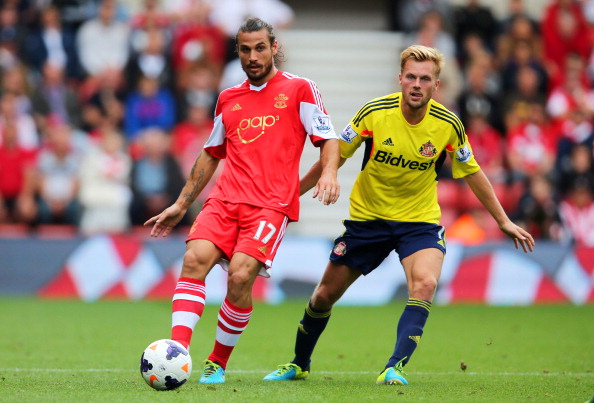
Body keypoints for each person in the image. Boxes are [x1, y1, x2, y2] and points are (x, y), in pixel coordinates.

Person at [263, 45, 535, 386]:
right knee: (322, 297)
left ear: (436, 86)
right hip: (368, 221)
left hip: (419, 223)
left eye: (425, 79)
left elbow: (473, 173)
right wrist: (288, 199)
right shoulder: (374, 114)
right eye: (411, 77)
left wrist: (503, 220)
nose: (417, 84)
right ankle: (299, 363)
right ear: (400, 79)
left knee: (425, 283)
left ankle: (394, 367)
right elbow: (332, 158)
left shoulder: (448, 125)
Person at [144, 17, 340, 384]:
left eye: (260, 48)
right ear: (238, 51)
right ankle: (177, 352)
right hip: (224, 200)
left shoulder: (300, 89)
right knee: (193, 260)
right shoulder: (228, 98)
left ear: (274, 48)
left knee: (240, 276)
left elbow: (328, 138)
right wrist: (182, 203)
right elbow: (210, 153)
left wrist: (328, 172)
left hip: (269, 207)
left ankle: (217, 361)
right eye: (245, 49)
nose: (253, 56)